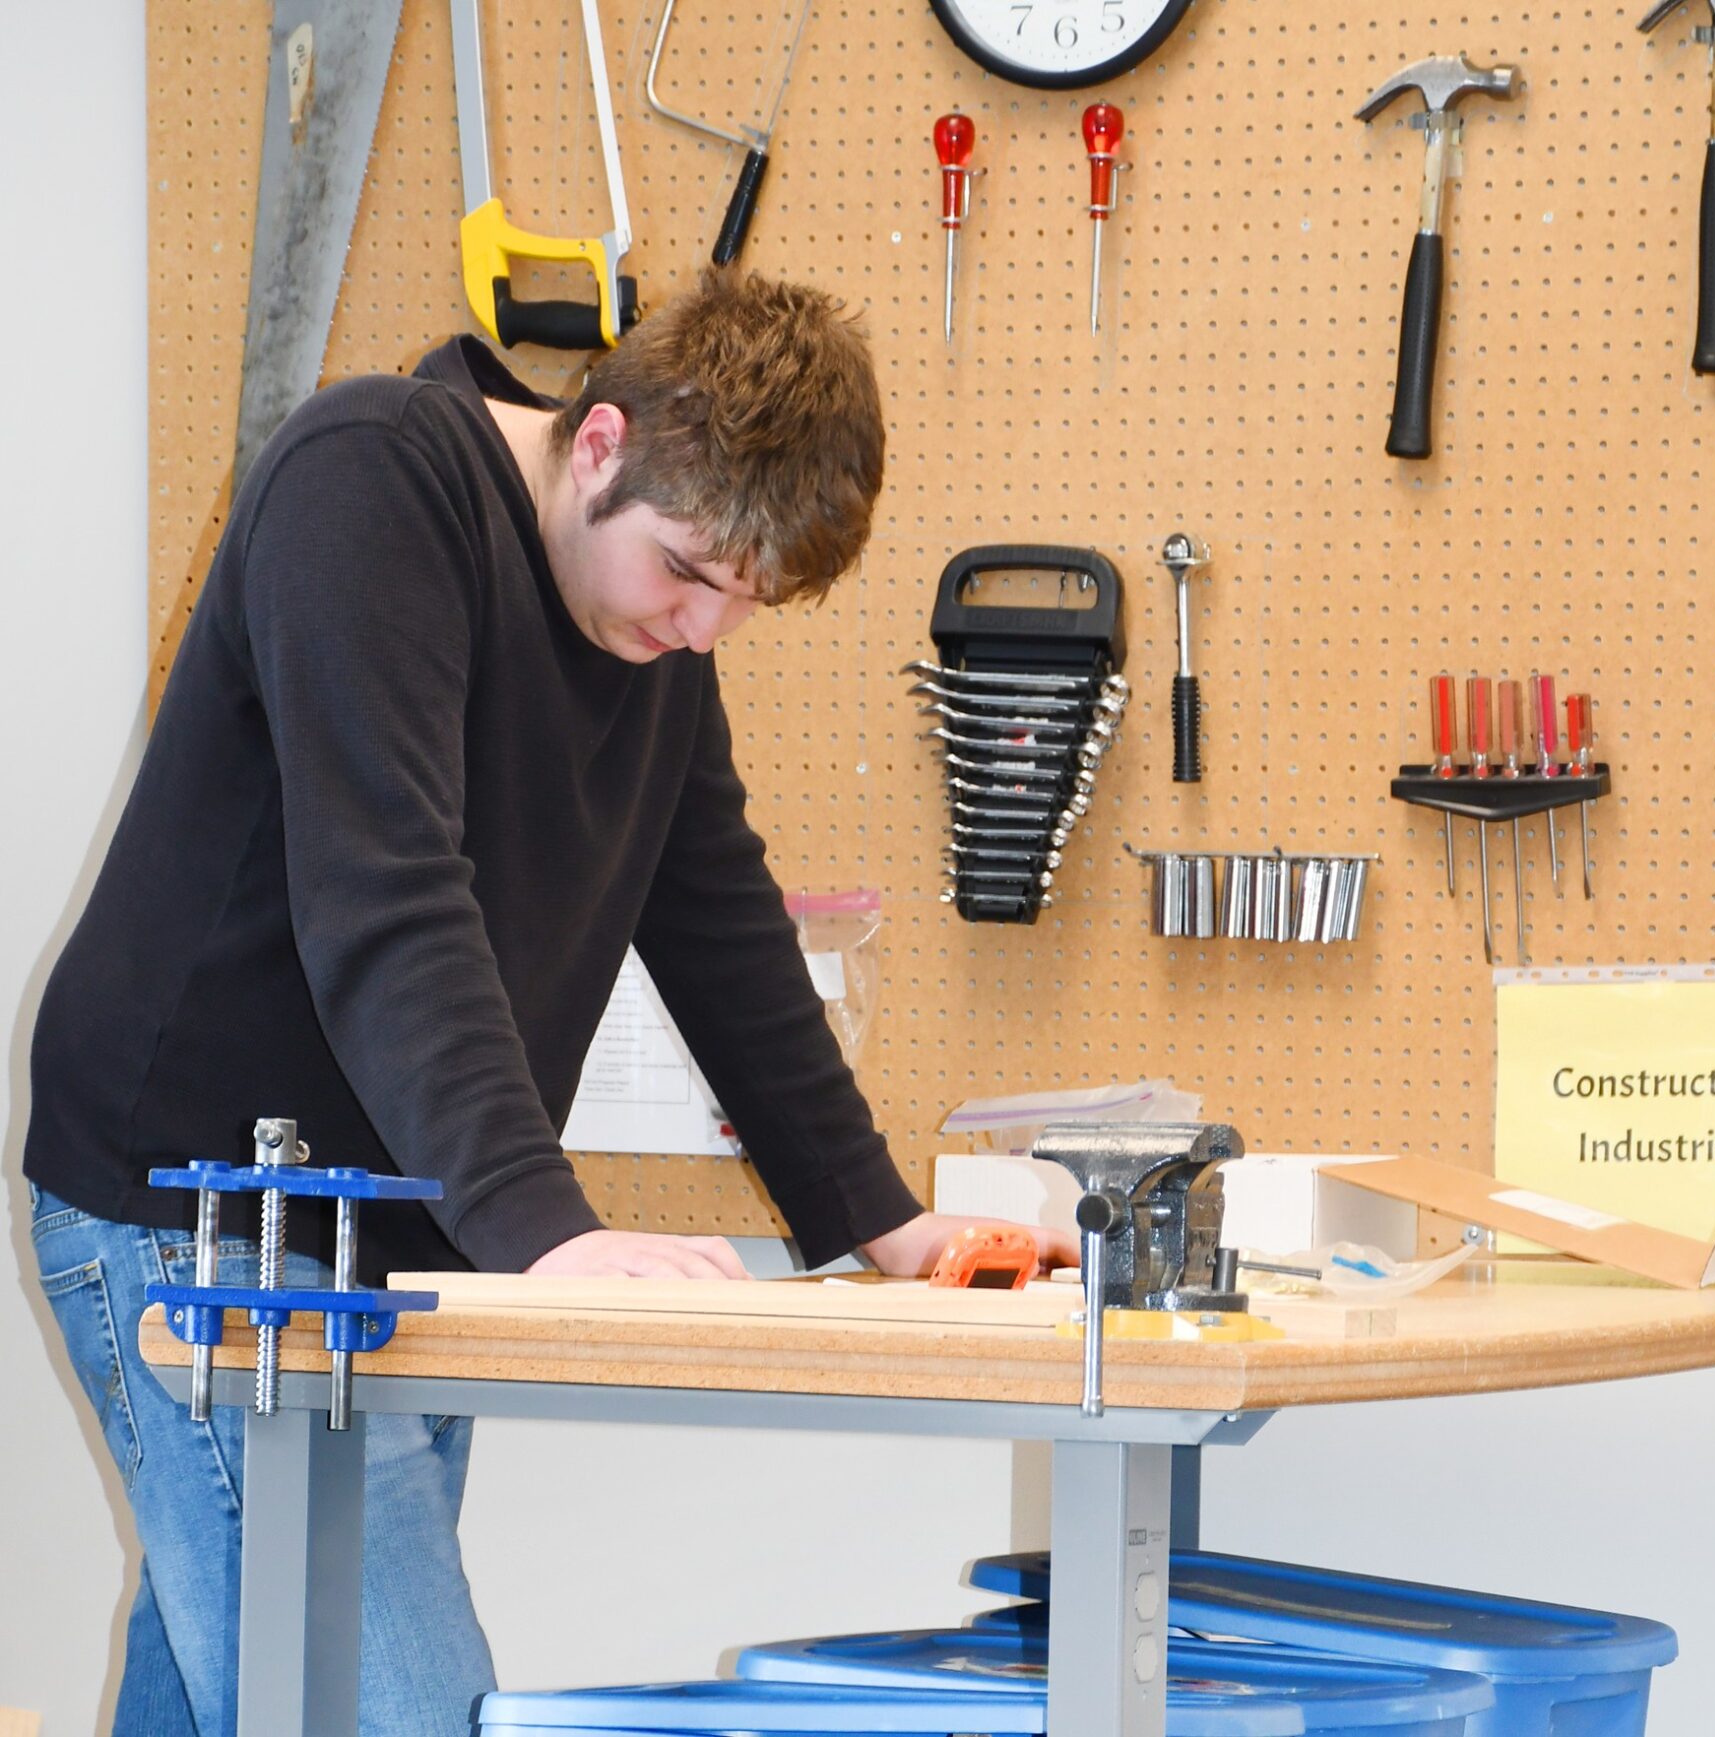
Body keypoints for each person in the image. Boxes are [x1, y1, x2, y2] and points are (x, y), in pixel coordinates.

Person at [24, 266, 1074, 1737]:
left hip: (413, 1226)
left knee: (237, 1688)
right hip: (201, 1214)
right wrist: (552, 1233)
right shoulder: (369, 487)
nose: (705, 631)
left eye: (744, 603)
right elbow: (389, 898)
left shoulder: (646, 630)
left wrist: (886, 1220)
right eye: (691, 574)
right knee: (387, 1706)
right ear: (598, 443)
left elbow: (713, 914)